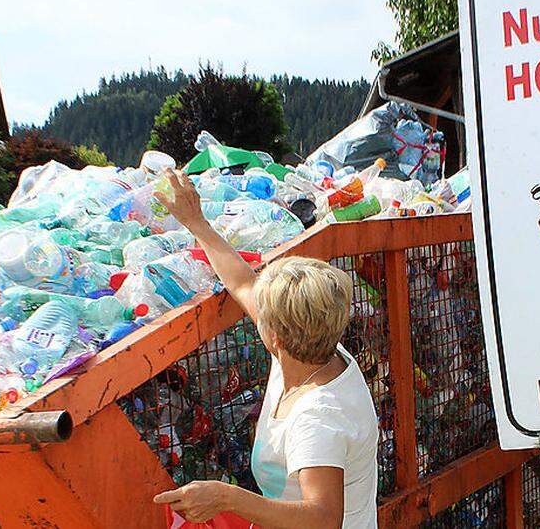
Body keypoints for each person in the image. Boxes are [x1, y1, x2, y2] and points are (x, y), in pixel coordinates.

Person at [151, 170, 380, 528]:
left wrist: (226, 497)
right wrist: (195, 222)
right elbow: (243, 282)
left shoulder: (318, 416)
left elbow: (324, 518)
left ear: (275, 336)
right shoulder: (315, 346)